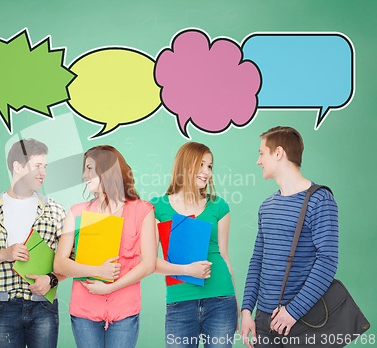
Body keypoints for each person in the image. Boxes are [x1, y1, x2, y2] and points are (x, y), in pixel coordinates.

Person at [240, 126, 338, 348]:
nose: (258, 161)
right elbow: (258, 261)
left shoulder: (320, 200)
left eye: (261, 153)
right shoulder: (267, 207)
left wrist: (293, 311)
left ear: (279, 153)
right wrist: (247, 311)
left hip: (303, 319)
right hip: (264, 320)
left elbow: (327, 261)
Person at [0, 139, 66, 348]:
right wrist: (4, 254)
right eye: (37, 166)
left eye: (44, 167)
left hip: (43, 307)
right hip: (4, 307)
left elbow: (72, 257)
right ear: (18, 167)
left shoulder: (55, 210)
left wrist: (51, 279)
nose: (43, 172)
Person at [53, 145, 157, 348]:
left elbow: (149, 264)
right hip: (85, 310)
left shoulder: (143, 210)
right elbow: (59, 264)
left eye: (90, 168)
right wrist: (97, 270)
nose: (84, 175)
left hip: (125, 309)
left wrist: (110, 287)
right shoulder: (76, 212)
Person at [150, 142, 238, 348]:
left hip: (221, 300)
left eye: (210, 166)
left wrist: (235, 304)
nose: (206, 172)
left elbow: (224, 255)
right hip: (180, 303)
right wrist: (187, 270)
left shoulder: (219, 206)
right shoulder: (158, 207)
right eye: (201, 165)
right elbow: (150, 262)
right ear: (185, 165)